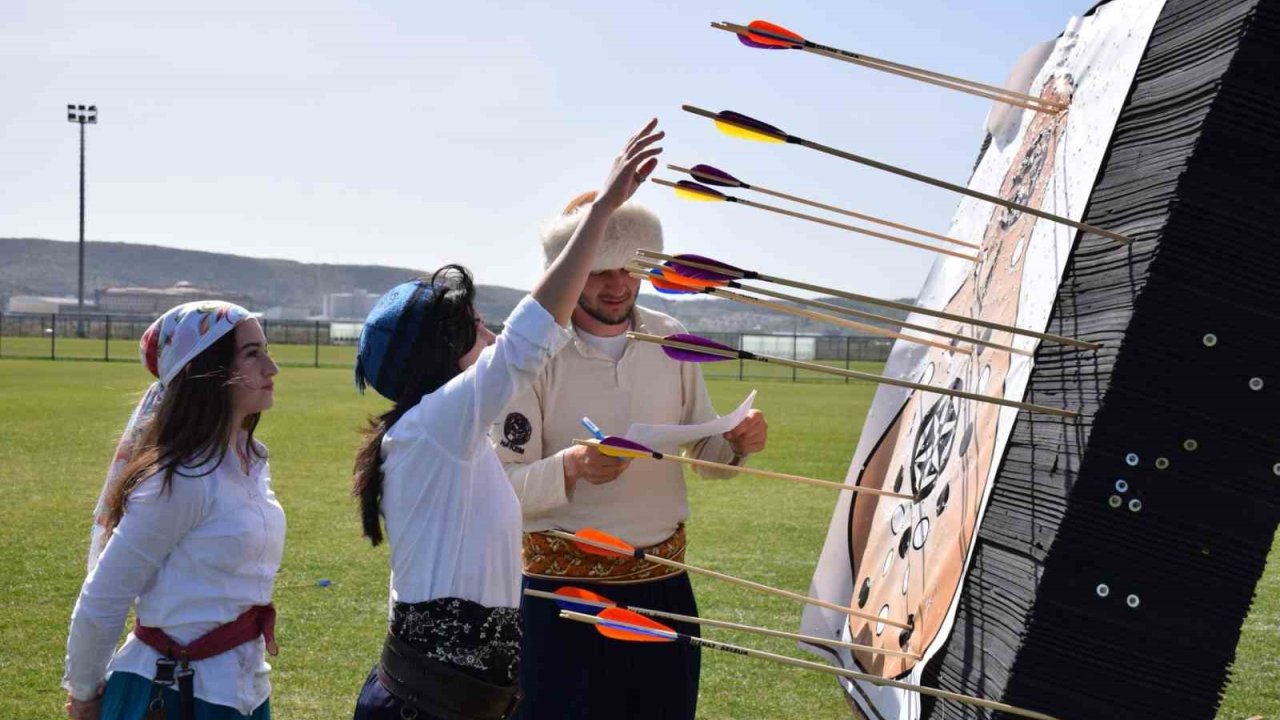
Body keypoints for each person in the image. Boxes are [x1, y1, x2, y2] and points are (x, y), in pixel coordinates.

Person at [349, 119, 664, 720]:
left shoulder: (437, 430)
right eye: (474, 327)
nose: (489, 333)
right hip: (430, 706)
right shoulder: (435, 425)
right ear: (441, 354)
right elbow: (528, 339)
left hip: (455, 702)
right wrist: (602, 212)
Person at [492, 191, 769, 720]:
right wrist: (571, 467)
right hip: (559, 596)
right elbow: (500, 486)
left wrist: (734, 444)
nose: (617, 284)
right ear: (569, 268)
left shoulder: (671, 337)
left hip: (662, 585)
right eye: (598, 271)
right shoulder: (529, 351)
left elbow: (701, 449)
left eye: (629, 268)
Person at [62, 301, 284, 720]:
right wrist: (85, 692)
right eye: (253, 354)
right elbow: (104, 596)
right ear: (208, 370)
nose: (271, 367)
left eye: (266, 351)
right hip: (174, 696)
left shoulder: (250, 461)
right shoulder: (183, 477)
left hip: (241, 688)